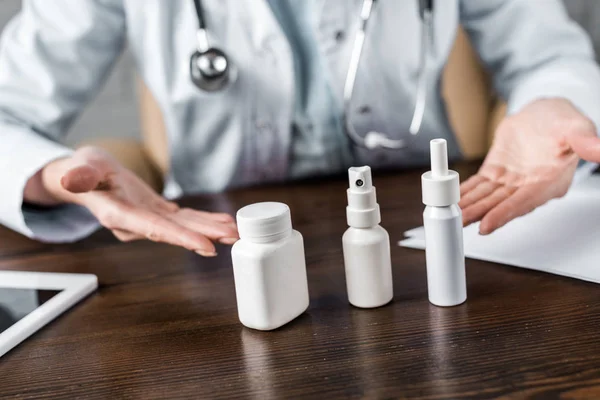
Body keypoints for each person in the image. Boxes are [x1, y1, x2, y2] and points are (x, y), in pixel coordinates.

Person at [1, 0, 600, 257]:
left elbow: (549, 55)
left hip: (421, 226)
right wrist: (45, 176)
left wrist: (559, 102)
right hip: (217, 245)